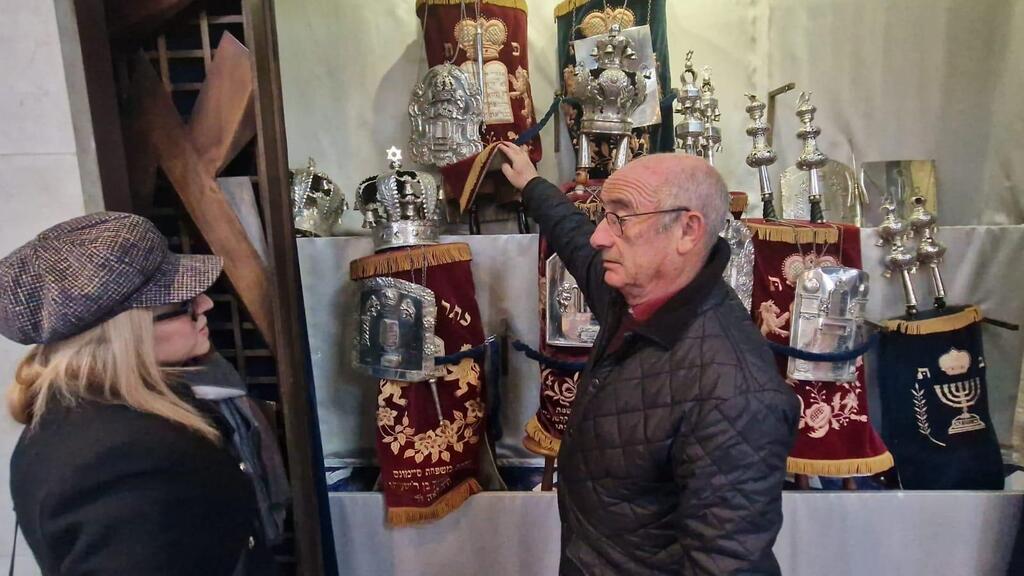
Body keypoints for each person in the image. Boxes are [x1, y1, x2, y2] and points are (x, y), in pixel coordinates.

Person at [499, 142, 799, 575]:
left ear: (687, 231)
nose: (601, 236)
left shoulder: (734, 391)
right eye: (605, 216)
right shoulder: (637, 294)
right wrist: (531, 184)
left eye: (620, 219)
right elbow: (576, 240)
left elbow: (729, 563)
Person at [2, 212, 276, 575]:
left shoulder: (74, 421)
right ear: (126, 334)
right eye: (183, 304)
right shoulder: (123, 460)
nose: (205, 304)